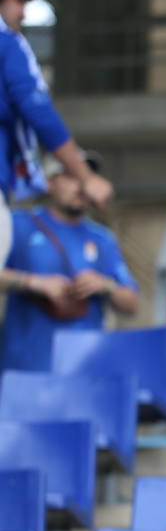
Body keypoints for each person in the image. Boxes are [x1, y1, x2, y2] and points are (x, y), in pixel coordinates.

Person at [0, 0, 111, 268]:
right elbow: (37, 109)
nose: (22, 12)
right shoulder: (8, 43)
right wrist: (85, 176)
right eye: (18, 0)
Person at [0, 153, 138, 371]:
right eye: (72, 177)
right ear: (49, 182)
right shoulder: (20, 224)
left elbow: (131, 303)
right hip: (24, 368)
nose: (82, 186)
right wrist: (35, 283)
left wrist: (104, 285)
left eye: (87, 178)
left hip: (84, 368)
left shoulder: (101, 238)